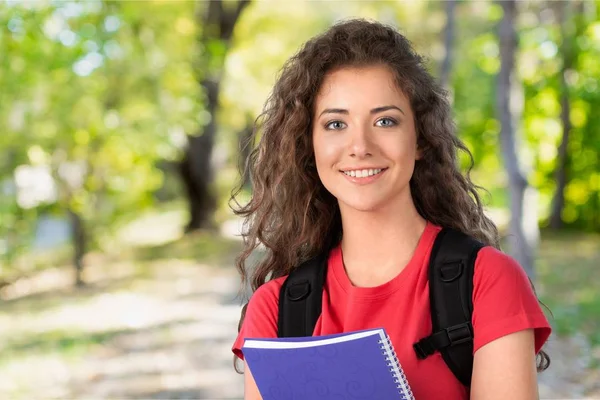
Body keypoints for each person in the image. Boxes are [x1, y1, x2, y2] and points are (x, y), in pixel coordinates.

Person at [229, 18, 551, 400]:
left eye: (385, 120)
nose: (360, 145)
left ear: (420, 139)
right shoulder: (276, 309)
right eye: (335, 124)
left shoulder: (489, 281)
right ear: (309, 147)